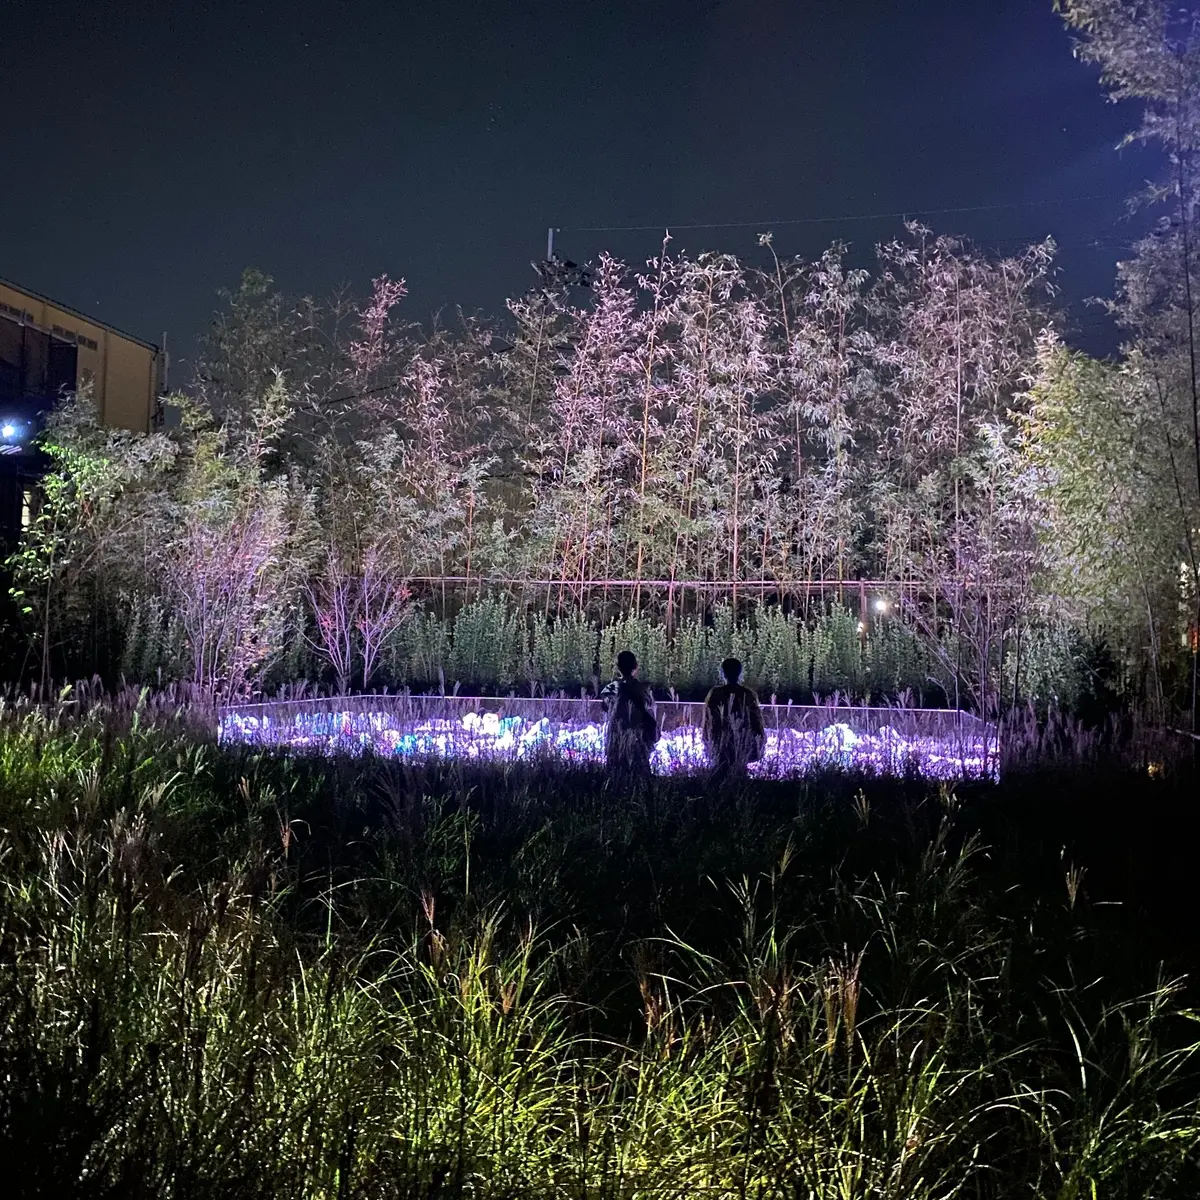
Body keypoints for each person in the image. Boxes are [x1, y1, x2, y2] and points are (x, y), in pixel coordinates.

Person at [600, 650, 658, 781]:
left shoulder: (611, 688)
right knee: (638, 775)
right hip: (637, 737)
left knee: (616, 775)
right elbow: (649, 708)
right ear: (635, 666)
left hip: (617, 735)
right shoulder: (642, 688)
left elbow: (604, 707)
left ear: (618, 667)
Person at [703, 657, 765, 780]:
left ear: (722, 673)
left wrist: (708, 742)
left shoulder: (715, 693)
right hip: (741, 745)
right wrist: (758, 744)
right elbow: (756, 721)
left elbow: (709, 721)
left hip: (720, 745)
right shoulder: (748, 694)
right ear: (740, 673)